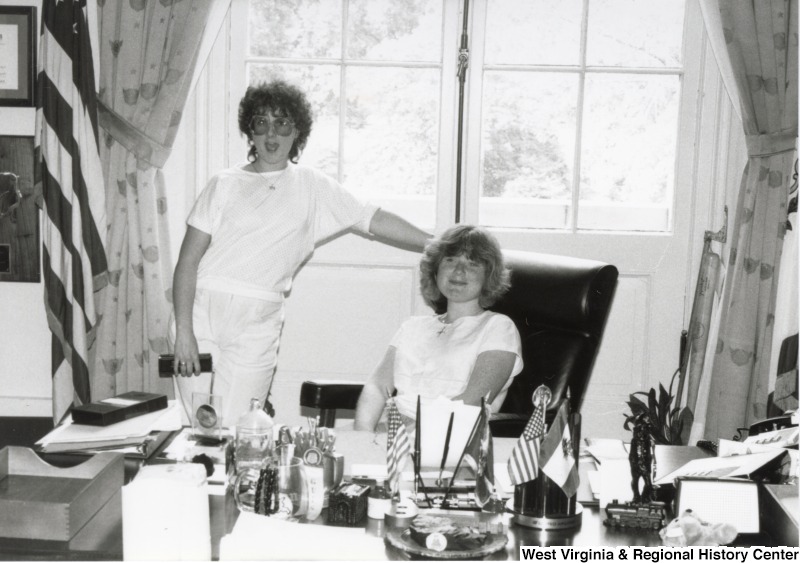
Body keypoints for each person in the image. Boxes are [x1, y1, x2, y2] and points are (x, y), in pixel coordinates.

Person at [171, 80, 431, 426]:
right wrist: (185, 332)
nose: (271, 134)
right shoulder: (224, 183)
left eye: (282, 123)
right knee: (199, 423)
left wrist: (436, 244)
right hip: (200, 312)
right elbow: (187, 263)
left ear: (298, 133)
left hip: (258, 320)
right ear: (250, 130)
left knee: (239, 425)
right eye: (261, 122)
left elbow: (373, 219)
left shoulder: (312, 185)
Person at [354, 225, 523, 431]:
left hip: (447, 439)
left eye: (472, 263)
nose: (459, 271)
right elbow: (377, 388)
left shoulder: (498, 328)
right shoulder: (412, 327)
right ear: (435, 271)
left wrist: (416, 430)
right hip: (391, 432)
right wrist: (363, 435)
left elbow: (472, 401)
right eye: (450, 260)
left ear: (489, 276)